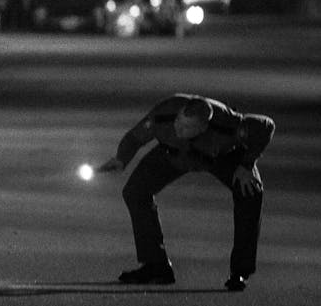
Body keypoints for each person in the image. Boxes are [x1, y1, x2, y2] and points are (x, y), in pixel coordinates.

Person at [96, 93, 275, 292]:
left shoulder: (228, 125)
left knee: (251, 193)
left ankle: (240, 271)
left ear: (204, 127)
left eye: (187, 128)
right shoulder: (163, 115)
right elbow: (135, 136)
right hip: (174, 154)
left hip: (220, 156)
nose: (178, 129)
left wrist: (246, 164)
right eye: (179, 123)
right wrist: (122, 159)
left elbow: (265, 126)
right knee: (135, 191)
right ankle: (156, 265)